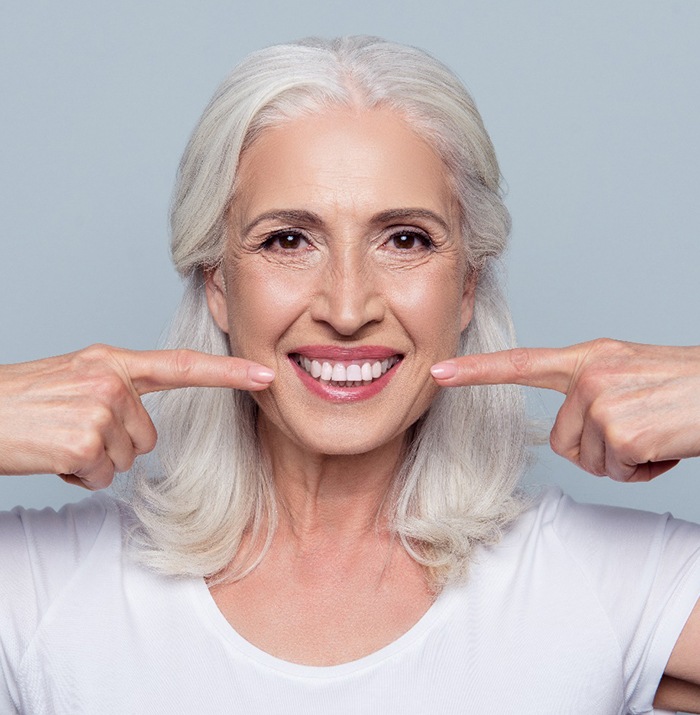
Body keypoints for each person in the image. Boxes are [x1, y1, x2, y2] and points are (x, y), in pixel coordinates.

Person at [1, 35, 699, 713]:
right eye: (287, 240)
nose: (345, 307)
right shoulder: (40, 589)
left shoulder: (599, 585)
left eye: (405, 239)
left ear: (465, 288)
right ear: (217, 283)